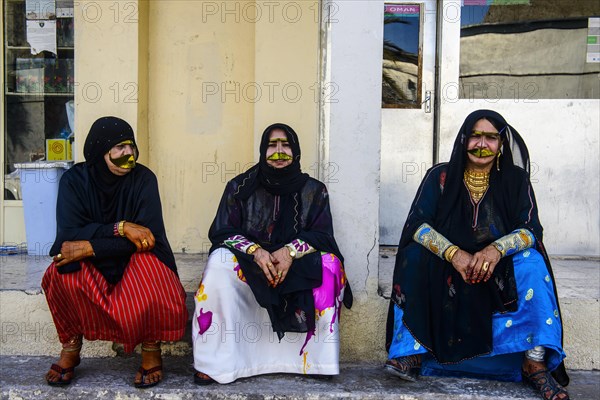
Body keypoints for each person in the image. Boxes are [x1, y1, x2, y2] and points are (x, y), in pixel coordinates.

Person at [384, 110, 570, 400]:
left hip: (497, 266)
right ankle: (413, 353)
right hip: (448, 264)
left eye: (491, 137)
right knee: (414, 256)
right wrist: (453, 253)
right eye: (475, 135)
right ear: (463, 139)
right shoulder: (440, 176)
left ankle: (533, 362)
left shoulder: (516, 180)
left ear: (501, 143)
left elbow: (531, 229)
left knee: (532, 263)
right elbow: (417, 226)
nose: (482, 144)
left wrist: (496, 250)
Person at [191, 123, 352, 385]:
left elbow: (323, 236)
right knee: (219, 262)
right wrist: (256, 252)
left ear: (296, 150)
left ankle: (317, 361)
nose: (279, 152)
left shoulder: (315, 190)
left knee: (330, 264)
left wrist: (290, 252)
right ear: (263, 150)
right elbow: (221, 232)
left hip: (297, 264)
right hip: (251, 266)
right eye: (272, 145)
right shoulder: (239, 187)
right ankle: (215, 362)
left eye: (285, 145)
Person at [42, 116, 188, 388]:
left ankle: (150, 347)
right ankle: (71, 347)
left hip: (132, 257)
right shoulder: (74, 180)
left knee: (151, 269)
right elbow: (67, 238)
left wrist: (89, 245)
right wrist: (121, 228)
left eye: (131, 146)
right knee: (61, 269)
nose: (128, 154)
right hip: (100, 258)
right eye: (119, 148)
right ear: (100, 150)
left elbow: (147, 240)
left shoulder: (144, 179)